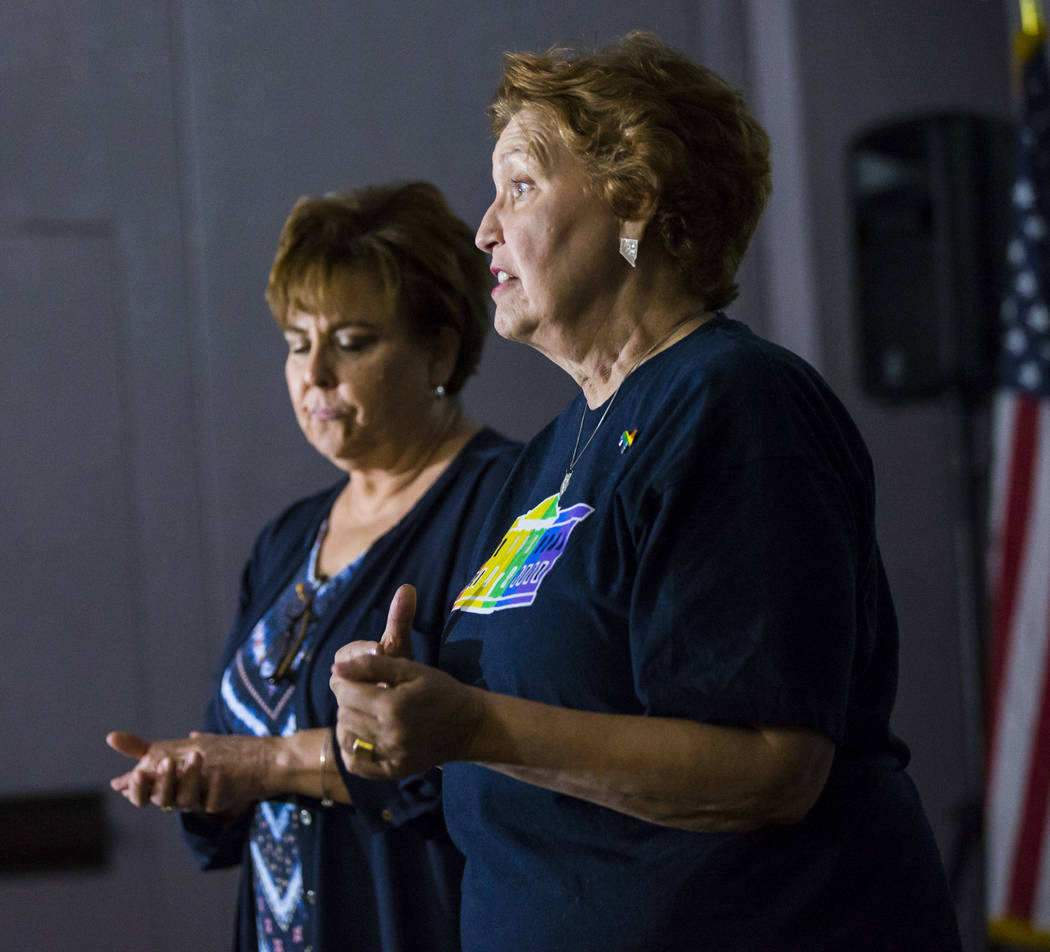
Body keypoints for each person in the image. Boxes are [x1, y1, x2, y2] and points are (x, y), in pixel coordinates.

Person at [329, 33, 962, 952]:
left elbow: (772, 768)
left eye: (521, 186)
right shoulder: (549, 454)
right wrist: (389, 714)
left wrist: (473, 725)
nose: (484, 230)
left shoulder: (736, 403)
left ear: (634, 196)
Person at [106, 180, 520, 952]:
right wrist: (200, 779)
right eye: (299, 343)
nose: (315, 373)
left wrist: (265, 764)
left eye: (352, 341)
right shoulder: (288, 535)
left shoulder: (508, 504)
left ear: (440, 349)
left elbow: (491, 766)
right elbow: (241, 782)